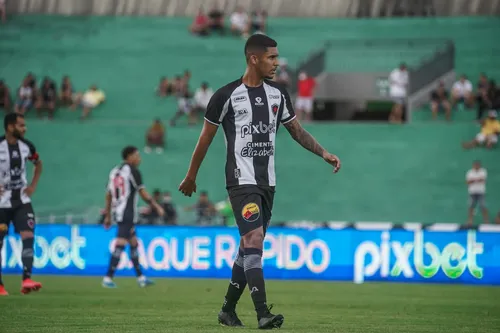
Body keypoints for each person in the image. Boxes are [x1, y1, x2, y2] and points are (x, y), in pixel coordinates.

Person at [178, 34, 341, 329]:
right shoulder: (225, 96)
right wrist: (192, 175)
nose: (277, 63)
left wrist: (323, 153)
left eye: (277, 58)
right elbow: (205, 137)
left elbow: (296, 130)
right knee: (254, 241)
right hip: (241, 182)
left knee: (247, 248)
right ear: (254, 58)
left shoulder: (278, 94)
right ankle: (262, 313)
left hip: (268, 184)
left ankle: (227, 310)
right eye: (272, 58)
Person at [102, 146, 164, 288]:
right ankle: (108, 278)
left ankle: (141, 278)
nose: (139, 158)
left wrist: (107, 214)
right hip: (127, 213)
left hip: (118, 212)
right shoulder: (133, 171)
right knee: (120, 244)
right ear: (129, 156)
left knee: (134, 243)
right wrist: (156, 206)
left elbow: (109, 194)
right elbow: (142, 193)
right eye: (137, 155)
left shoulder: (114, 172)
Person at [0, 113, 43, 296]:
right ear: (10, 127)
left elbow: (38, 164)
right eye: (21, 125)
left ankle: (26, 279)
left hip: (22, 201)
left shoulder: (27, 146)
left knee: (28, 235)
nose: (25, 129)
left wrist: (33, 185)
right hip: (1, 203)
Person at [465, 160, 489, 226]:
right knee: (471, 206)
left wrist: (473, 180)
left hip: (481, 192)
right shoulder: (470, 172)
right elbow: (468, 182)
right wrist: (477, 179)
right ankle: (470, 221)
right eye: (475, 165)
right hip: (472, 192)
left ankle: (486, 221)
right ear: (473, 165)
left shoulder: (483, 171)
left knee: (483, 206)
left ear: (479, 165)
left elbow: (483, 180)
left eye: (477, 165)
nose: (476, 166)